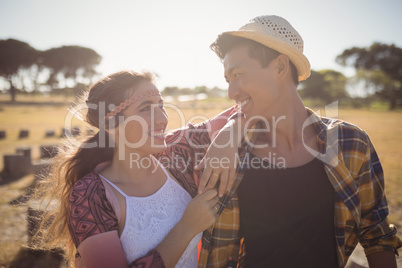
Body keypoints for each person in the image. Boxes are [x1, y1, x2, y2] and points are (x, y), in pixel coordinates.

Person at [163, 15, 402, 267]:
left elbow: (377, 236)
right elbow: (155, 147)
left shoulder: (351, 143)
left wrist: (233, 126)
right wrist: (231, 128)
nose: (232, 92)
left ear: (279, 67)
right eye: (228, 80)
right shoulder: (229, 151)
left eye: (239, 74)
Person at [31, 70, 224, 268]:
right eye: (146, 109)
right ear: (111, 124)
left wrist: (229, 133)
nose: (163, 119)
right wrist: (187, 228)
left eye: (160, 105)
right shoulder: (91, 195)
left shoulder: (175, 155)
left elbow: (244, 112)